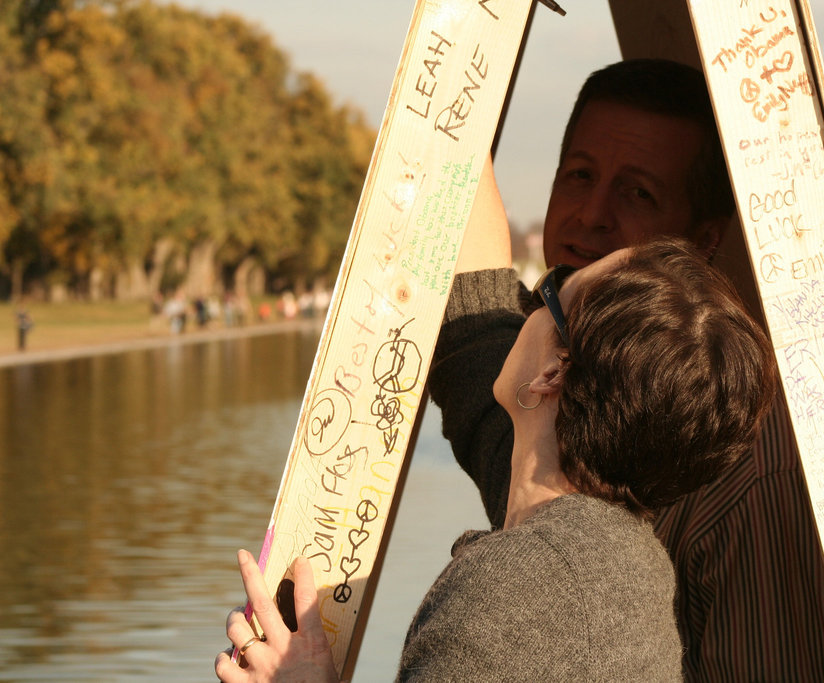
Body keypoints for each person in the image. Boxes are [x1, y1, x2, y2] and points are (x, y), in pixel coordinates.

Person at [428, 59, 824, 681]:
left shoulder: (761, 477)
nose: (592, 214)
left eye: (638, 192)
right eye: (578, 175)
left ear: (702, 240)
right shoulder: (563, 446)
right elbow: (473, 321)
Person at [216, 218, 777, 679]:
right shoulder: (618, 560)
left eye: (552, 293)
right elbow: (474, 315)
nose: (527, 310)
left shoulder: (514, 596)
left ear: (553, 374)